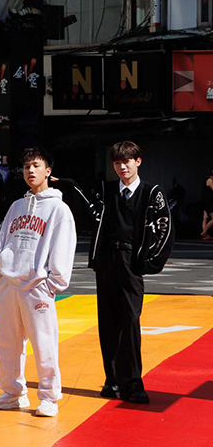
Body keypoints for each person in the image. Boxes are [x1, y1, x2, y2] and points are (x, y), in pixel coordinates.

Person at [0, 148, 77, 418]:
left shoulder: (59, 209)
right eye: (26, 166)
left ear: (48, 171)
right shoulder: (17, 206)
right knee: (6, 342)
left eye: (36, 166)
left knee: (44, 342)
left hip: (38, 284)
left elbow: (64, 247)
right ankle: (13, 393)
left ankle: (50, 396)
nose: (30, 171)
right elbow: (3, 238)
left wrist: (54, 282)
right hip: (9, 283)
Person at [89, 141, 173, 404]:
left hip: (131, 261)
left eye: (127, 161)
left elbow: (164, 228)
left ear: (138, 161)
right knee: (107, 322)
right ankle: (112, 380)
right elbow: (90, 216)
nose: (122, 167)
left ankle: (133, 383)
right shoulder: (106, 190)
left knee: (130, 321)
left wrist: (150, 262)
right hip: (106, 262)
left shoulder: (151, 192)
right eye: (116, 162)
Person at [200, 169, 213, 241]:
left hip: (205, 201)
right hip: (209, 202)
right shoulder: (210, 181)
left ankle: (205, 234)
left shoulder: (207, 180)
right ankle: (204, 232)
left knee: (205, 217)